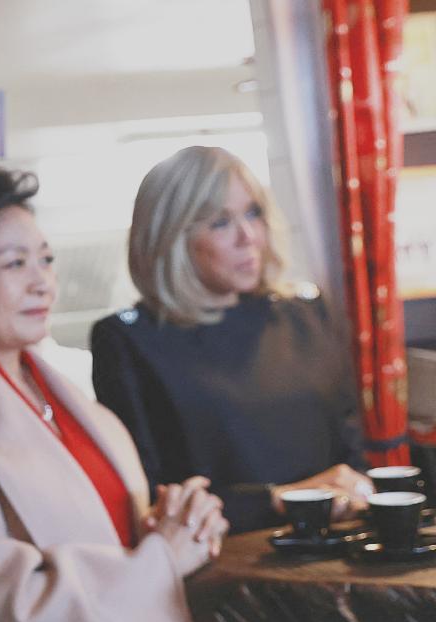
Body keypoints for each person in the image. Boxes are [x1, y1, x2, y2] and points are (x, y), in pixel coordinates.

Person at [0, 167, 226, 622]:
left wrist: (175, 523)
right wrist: (163, 558)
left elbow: (112, 534)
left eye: (45, 259)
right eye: (15, 263)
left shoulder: (64, 394)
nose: (42, 281)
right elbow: (10, 608)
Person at [91, 146, 369, 534]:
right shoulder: (128, 340)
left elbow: (352, 449)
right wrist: (279, 498)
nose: (249, 236)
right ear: (171, 237)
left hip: (338, 544)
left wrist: (357, 485)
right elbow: (150, 499)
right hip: (226, 565)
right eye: (220, 222)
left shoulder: (304, 313)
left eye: (253, 212)